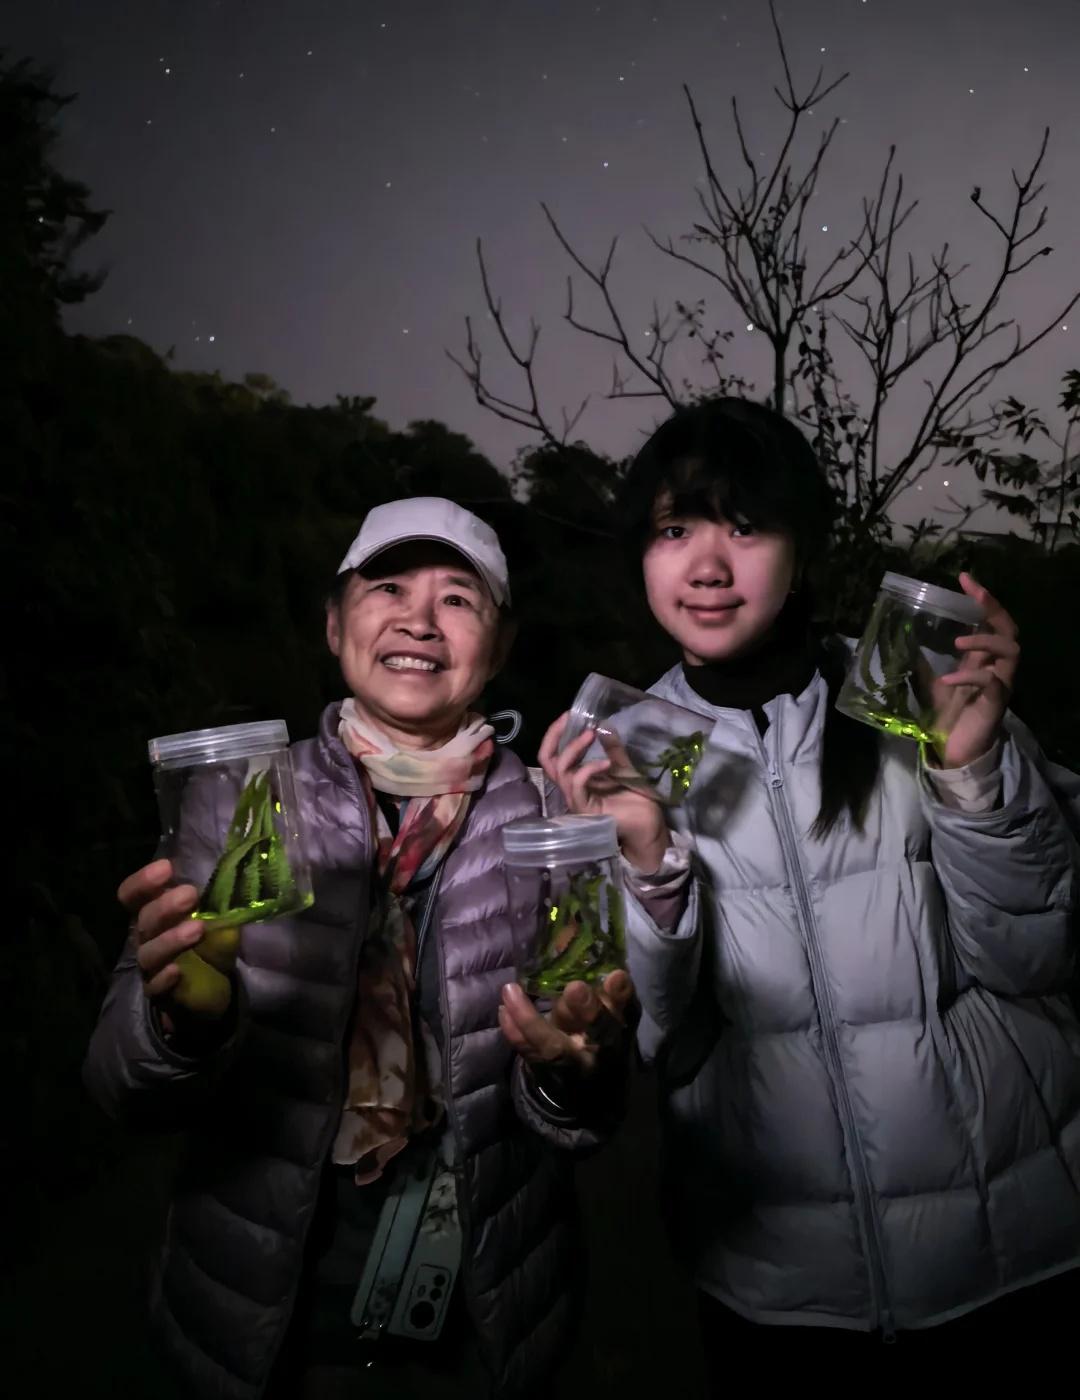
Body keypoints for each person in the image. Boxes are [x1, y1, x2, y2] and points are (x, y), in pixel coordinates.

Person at [540, 398, 1080, 1381]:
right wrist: (651, 862)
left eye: (745, 525)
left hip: (1013, 1246)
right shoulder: (622, 752)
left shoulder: (914, 687)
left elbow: (1038, 957)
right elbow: (655, 1039)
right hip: (777, 1290)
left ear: (803, 547)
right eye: (673, 528)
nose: (707, 564)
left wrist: (975, 769)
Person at [84, 497, 634, 1400]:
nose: (419, 619)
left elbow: (578, 1117)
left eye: (459, 599)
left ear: (498, 645)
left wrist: (572, 1070)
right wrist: (179, 1025)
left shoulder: (553, 822)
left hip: (478, 1316)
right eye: (388, 587)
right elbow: (117, 1083)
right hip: (258, 1317)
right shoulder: (240, 801)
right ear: (336, 624)